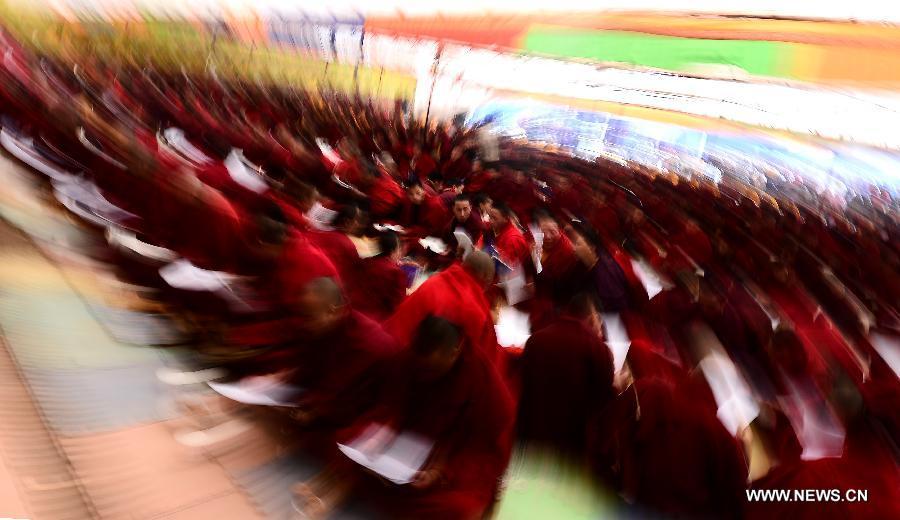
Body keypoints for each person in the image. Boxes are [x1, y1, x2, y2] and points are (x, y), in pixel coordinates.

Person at [294, 315, 515, 520]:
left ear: (455, 351)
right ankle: (337, 486)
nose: (427, 377)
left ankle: (346, 488)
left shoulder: (483, 382)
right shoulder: (411, 357)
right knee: (351, 438)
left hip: (450, 455)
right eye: (423, 369)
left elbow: (478, 445)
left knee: (458, 508)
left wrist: (439, 470)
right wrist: (382, 433)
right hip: (405, 438)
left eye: (434, 371)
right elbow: (392, 402)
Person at [285, 277, 399, 427]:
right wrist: (283, 380)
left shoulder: (365, 342)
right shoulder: (328, 325)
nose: (305, 325)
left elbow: (340, 389)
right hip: (334, 399)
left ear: (333, 311)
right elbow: (311, 363)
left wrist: (311, 411)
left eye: (309, 318)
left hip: (368, 413)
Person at [517, 292, 614, 461]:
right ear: (593, 317)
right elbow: (603, 399)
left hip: (534, 437)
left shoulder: (536, 340)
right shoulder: (597, 349)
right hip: (573, 443)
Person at [385, 251, 502, 367]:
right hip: (406, 360)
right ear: (486, 280)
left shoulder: (437, 279)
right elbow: (481, 360)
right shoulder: (476, 310)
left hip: (387, 341)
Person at [354, 232, 408, 321]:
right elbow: (397, 305)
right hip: (373, 319)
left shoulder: (367, 261)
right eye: (399, 248)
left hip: (354, 306)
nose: (400, 252)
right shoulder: (396, 273)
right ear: (393, 251)